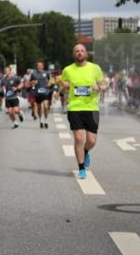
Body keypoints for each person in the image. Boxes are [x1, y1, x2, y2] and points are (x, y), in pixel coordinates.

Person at [60, 44, 107, 179]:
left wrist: (99, 87)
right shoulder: (67, 70)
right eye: (77, 51)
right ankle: (81, 168)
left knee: (91, 141)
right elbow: (62, 87)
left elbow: (104, 84)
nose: (79, 53)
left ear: (86, 53)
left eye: (82, 50)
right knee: (79, 138)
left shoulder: (95, 68)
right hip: (75, 108)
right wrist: (64, 86)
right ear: (74, 54)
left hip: (92, 108)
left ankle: (85, 151)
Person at [30, 61, 53, 129]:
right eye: (38, 65)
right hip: (37, 93)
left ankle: (46, 121)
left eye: (41, 65)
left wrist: (49, 83)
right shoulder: (34, 73)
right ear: (37, 66)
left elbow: (51, 80)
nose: (40, 66)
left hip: (45, 92)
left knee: (46, 107)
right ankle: (41, 121)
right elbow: (30, 82)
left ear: (43, 66)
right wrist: (34, 82)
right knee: (39, 109)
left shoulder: (46, 72)